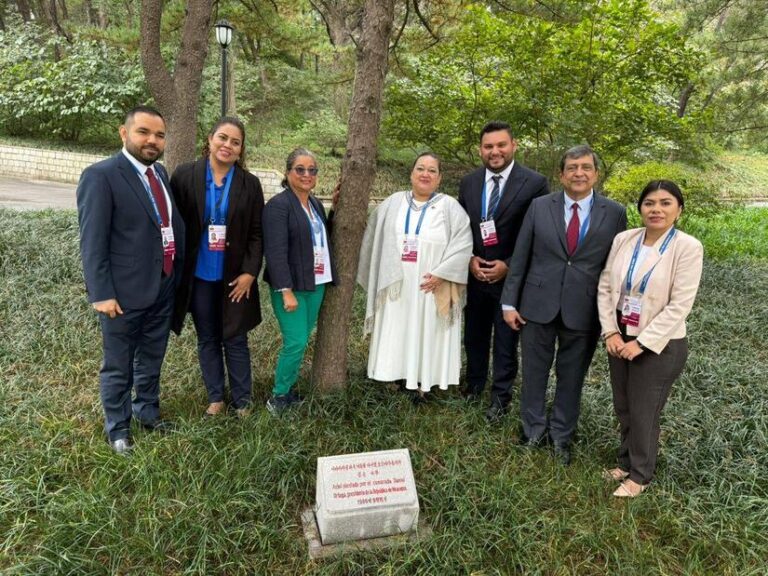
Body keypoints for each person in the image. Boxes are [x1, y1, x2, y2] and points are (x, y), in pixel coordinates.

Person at [501, 145, 626, 465]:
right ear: (561, 174)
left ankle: (561, 436)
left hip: (584, 310)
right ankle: (532, 431)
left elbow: (618, 267)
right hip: (536, 304)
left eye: (586, 167)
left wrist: (614, 317)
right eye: (572, 167)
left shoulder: (614, 213)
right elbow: (521, 256)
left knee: (572, 378)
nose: (579, 173)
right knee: (534, 373)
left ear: (596, 173)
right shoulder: (540, 206)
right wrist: (509, 302)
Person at [76, 105, 185, 454]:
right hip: (122, 294)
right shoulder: (101, 176)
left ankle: (147, 412)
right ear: (124, 134)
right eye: (144, 132)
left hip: (162, 286)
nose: (152, 140)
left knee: (152, 356)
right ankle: (118, 429)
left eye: (159, 135)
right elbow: (92, 241)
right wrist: (102, 293)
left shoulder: (161, 174)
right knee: (119, 364)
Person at [597, 180, 703, 497]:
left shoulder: (687, 247)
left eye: (665, 203)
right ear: (640, 208)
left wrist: (641, 343)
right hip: (620, 334)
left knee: (645, 410)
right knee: (624, 406)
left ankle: (640, 475)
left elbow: (680, 305)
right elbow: (605, 287)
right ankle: (626, 462)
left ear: (679, 209)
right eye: (649, 203)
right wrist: (611, 331)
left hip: (660, 345)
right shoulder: (624, 239)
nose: (656, 209)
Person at [170, 117, 265, 418]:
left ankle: (242, 400)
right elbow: (174, 225)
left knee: (235, 337)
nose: (227, 145)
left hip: (235, 278)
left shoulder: (250, 184)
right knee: (207, 337)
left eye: (235, 142)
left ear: (241, 149)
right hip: (198, 276)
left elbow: (257, 233)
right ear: (210, 139)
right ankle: (215, 397)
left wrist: (250, 273)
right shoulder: (185, 175)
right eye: (222, 138)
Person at [358, 152, 473, 400]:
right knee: (397, 328)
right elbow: (372, 238)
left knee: (428, 330)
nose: (425, 174)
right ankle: (393, 373)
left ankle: (424, 381)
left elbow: (463, 245)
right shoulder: (392, 203)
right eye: (420, 168)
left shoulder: (450, 207)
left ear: (439, 178)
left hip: (430, 286)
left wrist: (442, 275)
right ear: (411, 174)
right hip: (396, 285)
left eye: (432, 170)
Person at [458, 121, 549, 422]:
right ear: (480, 150)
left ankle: (500, 398)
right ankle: (473, 386)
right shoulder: (469, 183)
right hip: (475, 274)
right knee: (474, 335)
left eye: (501, 145)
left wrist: (508, 265)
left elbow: (538, 233)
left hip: (511, 278)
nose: (494, 151)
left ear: (514, 145)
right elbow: (460, 229)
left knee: (506, 342)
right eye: (488, 147)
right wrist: (470, 258)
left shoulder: (535, 183)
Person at [262, 148, 337, 416]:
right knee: (294, 342)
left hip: (316, 283)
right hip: (290, 288)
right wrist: (286, 291)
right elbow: (275, 252)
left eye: (312, 170)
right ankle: (279, 396)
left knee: (302, 340)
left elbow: (321, 235)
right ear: (288, 172)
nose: (307, 174)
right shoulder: (278, 206)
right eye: (300, 169)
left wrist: (336, 208)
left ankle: (290, 389)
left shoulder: (314, 204)